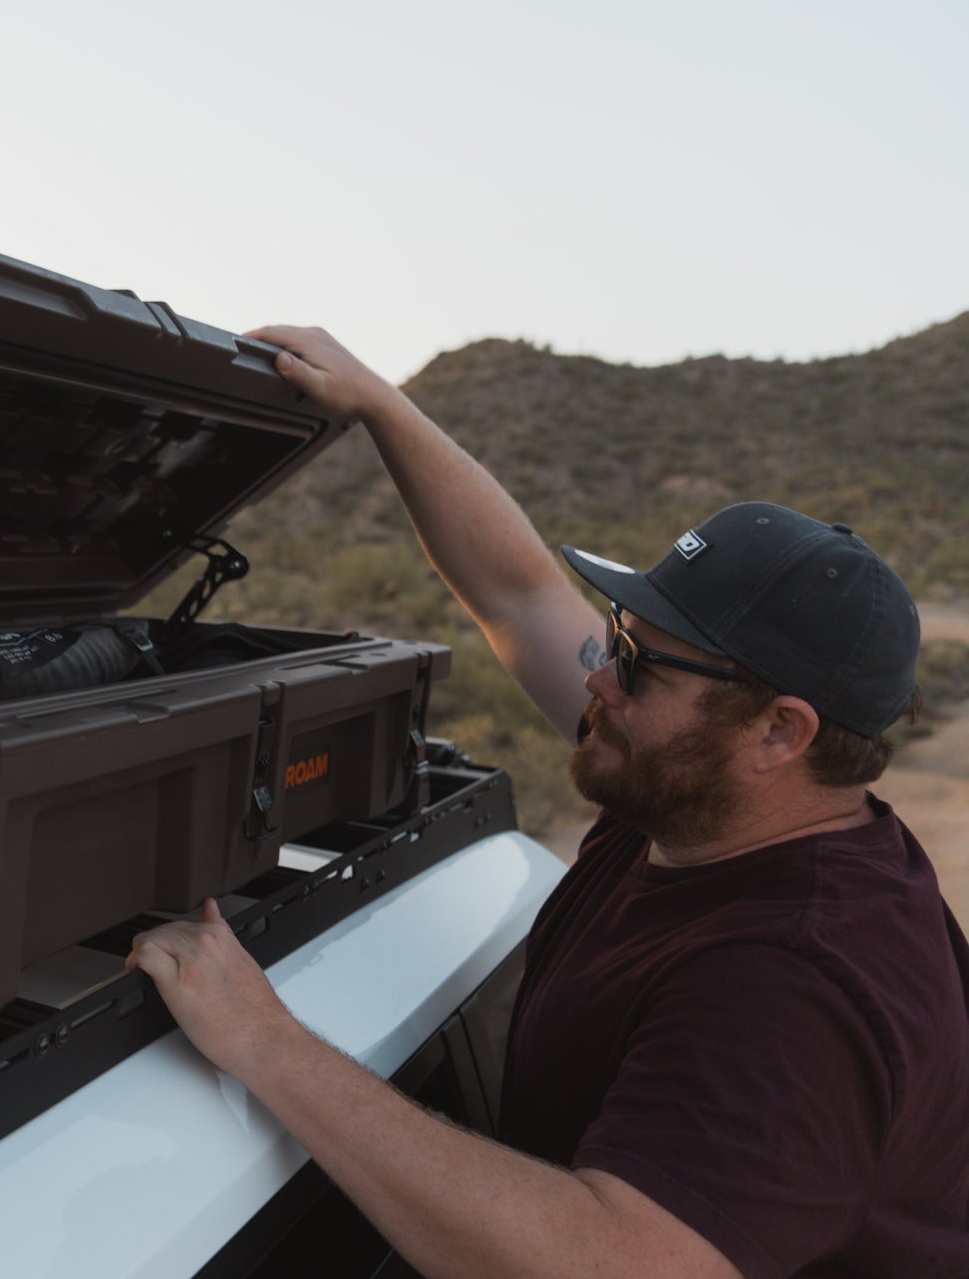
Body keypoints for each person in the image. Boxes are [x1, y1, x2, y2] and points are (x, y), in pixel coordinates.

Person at [127, 324, 969, 1279]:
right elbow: (519, 593)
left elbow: (619, 1263)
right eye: (618, 636)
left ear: (780, 732)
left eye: (640, 664)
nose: (602, 678)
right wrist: (381, 405)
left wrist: (267, 1042)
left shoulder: (798, 985)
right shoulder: (699, 788)